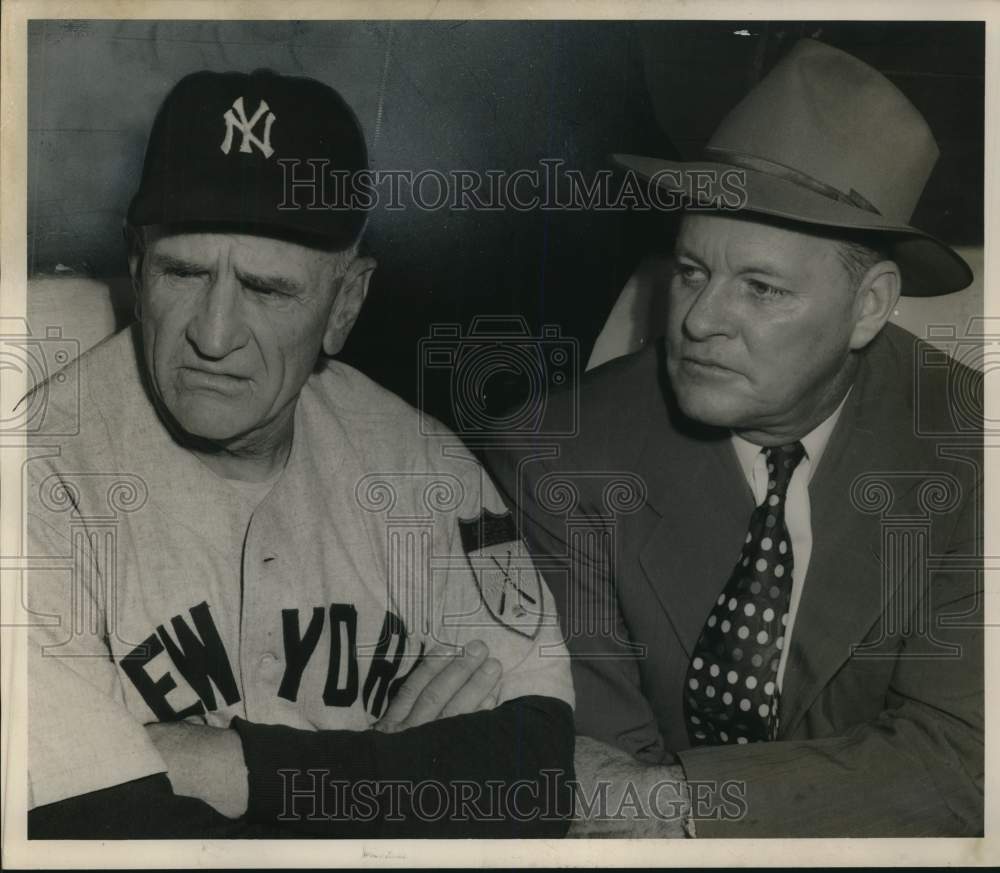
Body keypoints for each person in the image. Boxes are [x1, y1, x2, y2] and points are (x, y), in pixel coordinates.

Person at [25, 68, 575, 838]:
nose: (213, 335)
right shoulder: (34, 476)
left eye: (267, 289)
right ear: (136, 263)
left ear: (344, 303)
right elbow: (90, 832)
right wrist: (388, 778)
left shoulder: (423, 468)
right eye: (183, 272)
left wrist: (227, 765)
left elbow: (534, 774)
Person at [484, 39, 983, 837]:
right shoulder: (554, 455)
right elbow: (599, 778)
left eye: (760, 287)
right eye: (691, 271)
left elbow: (966, 763)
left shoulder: (974, 453)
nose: (698, 320)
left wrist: (686, 802)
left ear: (870, 306)